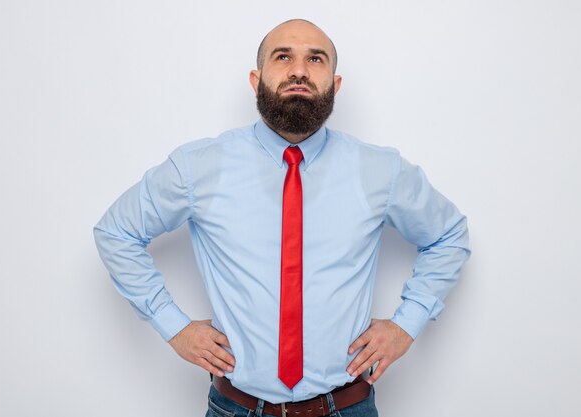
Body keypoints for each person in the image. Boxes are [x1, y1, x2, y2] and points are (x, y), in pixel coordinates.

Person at [94, 19, 470, 417]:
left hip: (347, 406)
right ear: (256, 80)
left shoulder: (380, 170)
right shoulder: (198, 167)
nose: (299, 70)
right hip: (235, 408)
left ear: (335, 85)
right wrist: (174, 326)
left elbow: (448, 235)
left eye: (316, 59)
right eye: (283, 56)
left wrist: (405, 326)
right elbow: (117, 232)